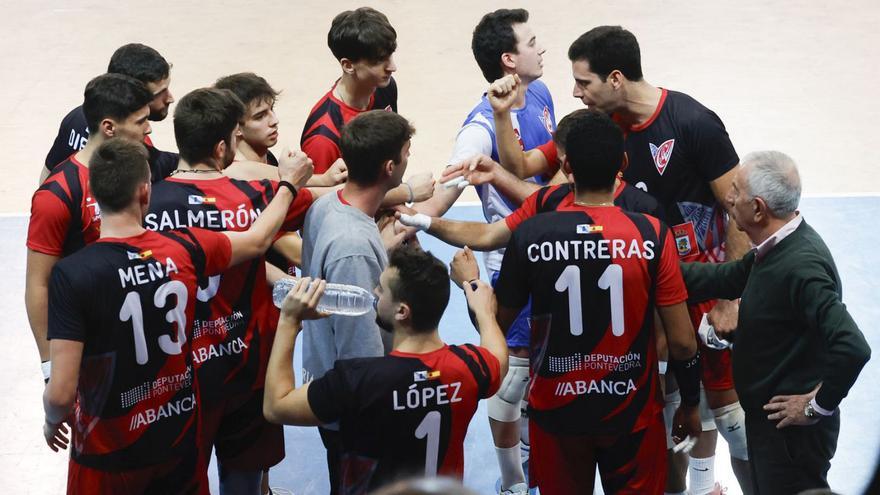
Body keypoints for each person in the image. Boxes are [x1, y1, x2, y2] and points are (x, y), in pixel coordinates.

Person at [41, 136, 308, 494]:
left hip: (108, 453)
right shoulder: (185, 248)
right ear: (145, 192)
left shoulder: (73, 275)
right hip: (176, 439)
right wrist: (288, 185)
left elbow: (60, 394)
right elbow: (258, 239)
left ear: (94, 193)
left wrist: (51, 420)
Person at [493, 110, 702, 494]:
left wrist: (472, 287)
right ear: (622, 163)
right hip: (630, 412)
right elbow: (684, 341)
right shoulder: (651, 232)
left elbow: (496, 323)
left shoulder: (532, 233)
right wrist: (689, 403)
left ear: (566, 165)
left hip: (556, 412)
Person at [145, 87, 314, 494]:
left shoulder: (147, 203)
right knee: (244, 482)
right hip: (247, 364)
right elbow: (338, 195)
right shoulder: (257, 197)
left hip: (179, 375)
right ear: (224, 146)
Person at [413, 11, 553, 494]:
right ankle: (514, 482)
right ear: (509, 59)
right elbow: (449, 189)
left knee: (547, 371)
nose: (543, 48)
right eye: (533, 43)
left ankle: (534, 465)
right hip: (508, 268)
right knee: (510, 378)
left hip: (552, 257)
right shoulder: (478, 128)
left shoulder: (541, 93)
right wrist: (413, 221)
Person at [680, 151, 871, 494]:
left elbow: (853, 346)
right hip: (771, 426)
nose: (727, 198)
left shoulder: (801, 269)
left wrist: (816, 406)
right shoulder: (772, 250)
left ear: (757, 208)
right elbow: (724, 276)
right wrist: (652, 266)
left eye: (735, 192)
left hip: (790, 435)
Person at [263, 246, 507, 494]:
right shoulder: (469, 367)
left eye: (381, 288)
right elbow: (499, 358)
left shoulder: (357, 380)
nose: (374, 292)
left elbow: (276, 407)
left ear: (401, 311)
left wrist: (289, 321)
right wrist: (483, 308)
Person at [299, 109, 412, 493]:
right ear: (389, 166)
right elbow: (359, 353)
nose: (409, 162)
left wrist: (383, 248)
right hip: (358, 410)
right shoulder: (354, 249)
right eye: (407, 154)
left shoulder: (327, 205)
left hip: (327, 377)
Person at [26, 73, 153, 382]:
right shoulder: (57, 195)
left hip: (138, 325)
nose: (149, 129)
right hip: (89, 339)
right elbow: (37, 285)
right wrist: (49, 366)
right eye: (140, 122)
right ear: (108, 127)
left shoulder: (140, 163)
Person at [399, 109, 663, 252]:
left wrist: (423, 220)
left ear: (566, 166)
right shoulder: (648, 214)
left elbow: (488, 235)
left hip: (559, 355)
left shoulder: (549, 204)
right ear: (623, 163)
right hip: (631, 353)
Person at [43, 43, 178, 183]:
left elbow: (47, 175)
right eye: (160, 93)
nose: (170, 98)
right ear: (132, 91)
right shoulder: (132, 142)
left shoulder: (76, 117)